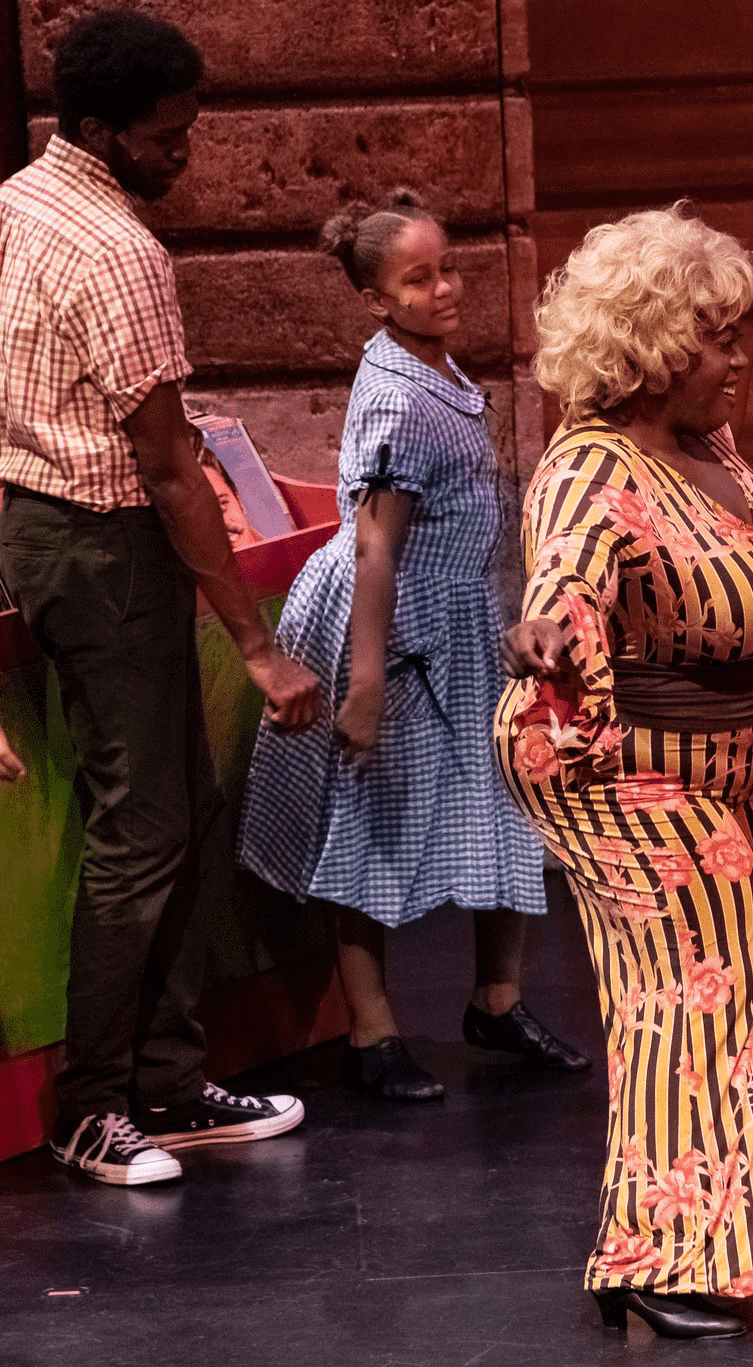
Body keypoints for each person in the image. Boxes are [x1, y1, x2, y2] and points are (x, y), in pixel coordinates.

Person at [0, 8, 317, 1187]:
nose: (184, 154)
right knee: (141, 831)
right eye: (166, 136)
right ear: (100, 129)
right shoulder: (119, 251)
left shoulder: (20, 198)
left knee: (177, 807)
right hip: (103, 545)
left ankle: (170, 1081)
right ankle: (95, 1105)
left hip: (49, 528)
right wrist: (257, 644)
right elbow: (171, 465)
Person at [495, 207, 753, 1339]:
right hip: (618, 769)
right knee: (683, 993)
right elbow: (567, 573)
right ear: (654, 343)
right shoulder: (591, 464)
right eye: (718, 338)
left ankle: (708, 1245)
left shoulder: (701, 442)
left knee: (734, 996)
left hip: (722, 778)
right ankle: (653, 1258)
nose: (739, 358)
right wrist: (545, 629)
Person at [236, 190, 585, 1101]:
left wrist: (501, 611)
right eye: (419, 280)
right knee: (373, 817)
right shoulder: (395, 397)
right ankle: (372, 1029)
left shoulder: (437, 373)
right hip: (391, 626)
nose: (445, 289)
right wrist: (363, 685)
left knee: (505, 801)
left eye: (448, 269)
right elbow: (376, 548)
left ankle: (497, 1000)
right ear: (377, 300)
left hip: (454, 620)